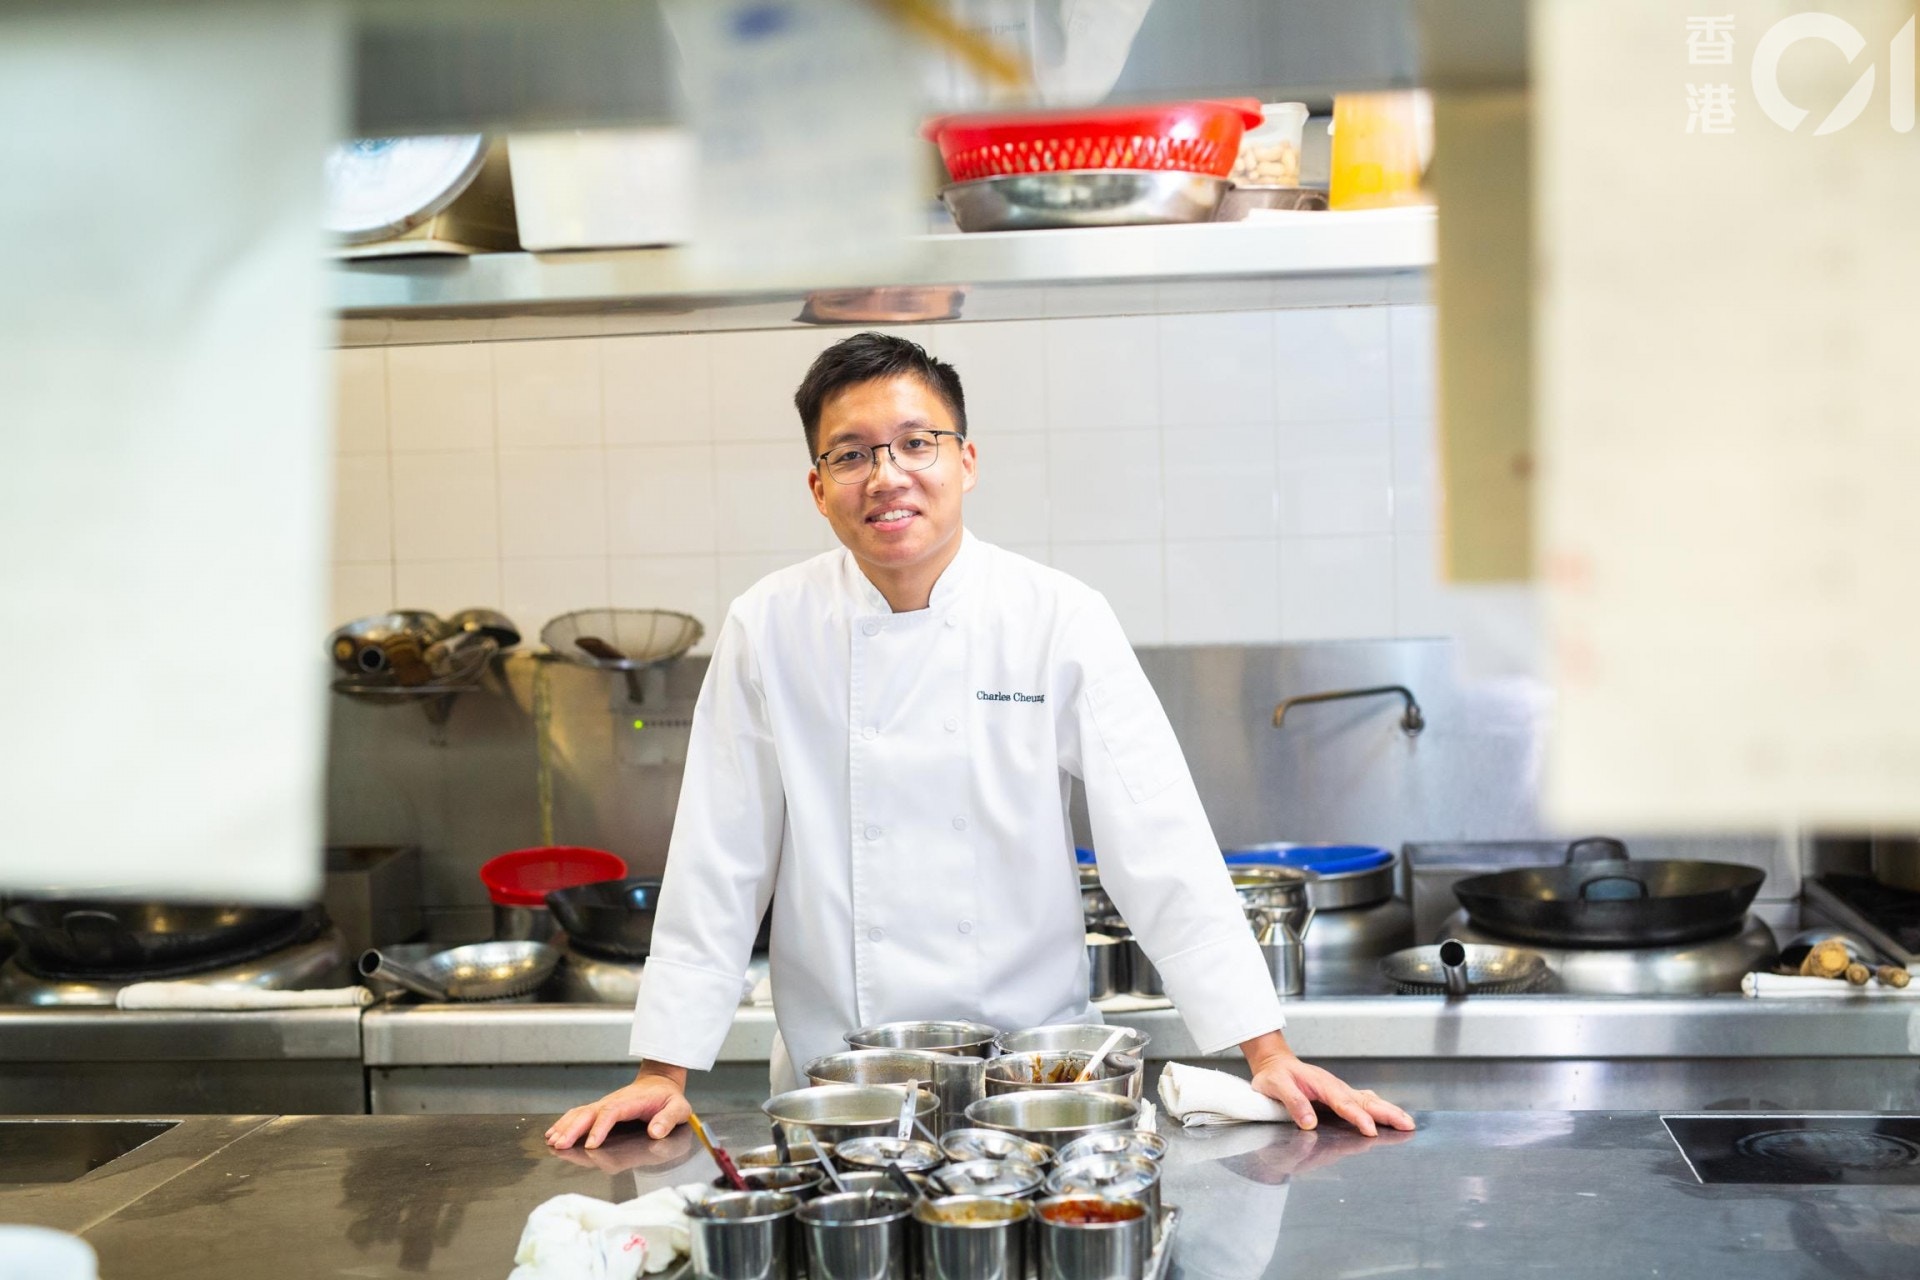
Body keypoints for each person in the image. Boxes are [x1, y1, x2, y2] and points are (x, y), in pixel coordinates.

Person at [547, 333, 1414, 1152]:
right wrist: (662, 1072)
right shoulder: (769, 625)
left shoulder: (1057, 617)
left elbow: (1159, 836)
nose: (887, 475)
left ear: (965, 460)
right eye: (851, 454)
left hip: (1039, 1087)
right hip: (843, 1095)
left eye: (915, 443)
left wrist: (1266, 1051)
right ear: (818, 487)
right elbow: (719, 856)